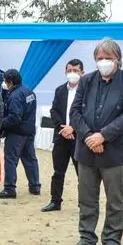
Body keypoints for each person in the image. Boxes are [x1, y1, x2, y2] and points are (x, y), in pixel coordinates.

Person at [66, 37, 123, 245]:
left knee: (115, 200)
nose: (104, 61)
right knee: (86, 198)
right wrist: (90, 136)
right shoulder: (86, 81)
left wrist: (103, 136)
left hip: (114, 151)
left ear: (118, 59)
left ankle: (112, 241)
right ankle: (87, 237)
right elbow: (75, 112)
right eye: (100, 58)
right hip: (86, 150)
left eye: (108, 57)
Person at [42, 59, 84, 212]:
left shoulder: (87, 91)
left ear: (82, 72)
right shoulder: (60, 90)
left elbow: (86, 113)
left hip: (79, 138)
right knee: (58, 172)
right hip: (61, 136)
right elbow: (54, 111)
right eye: (69, 70)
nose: (72, 73)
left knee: (82, 173)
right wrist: (63, 128)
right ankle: (55, 201)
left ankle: (84, 203)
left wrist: (73, 128)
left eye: (75, 70)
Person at [0, 68, 41, 199]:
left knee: (10, 160)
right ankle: (35, 186)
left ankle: (9, 189)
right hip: (29, 131)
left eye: (5, 81)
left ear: (10, 82)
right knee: (30, 160)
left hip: (17, 133)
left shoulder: (15, 96)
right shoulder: (29, 91)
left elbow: (14, 117)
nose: (4, 83)